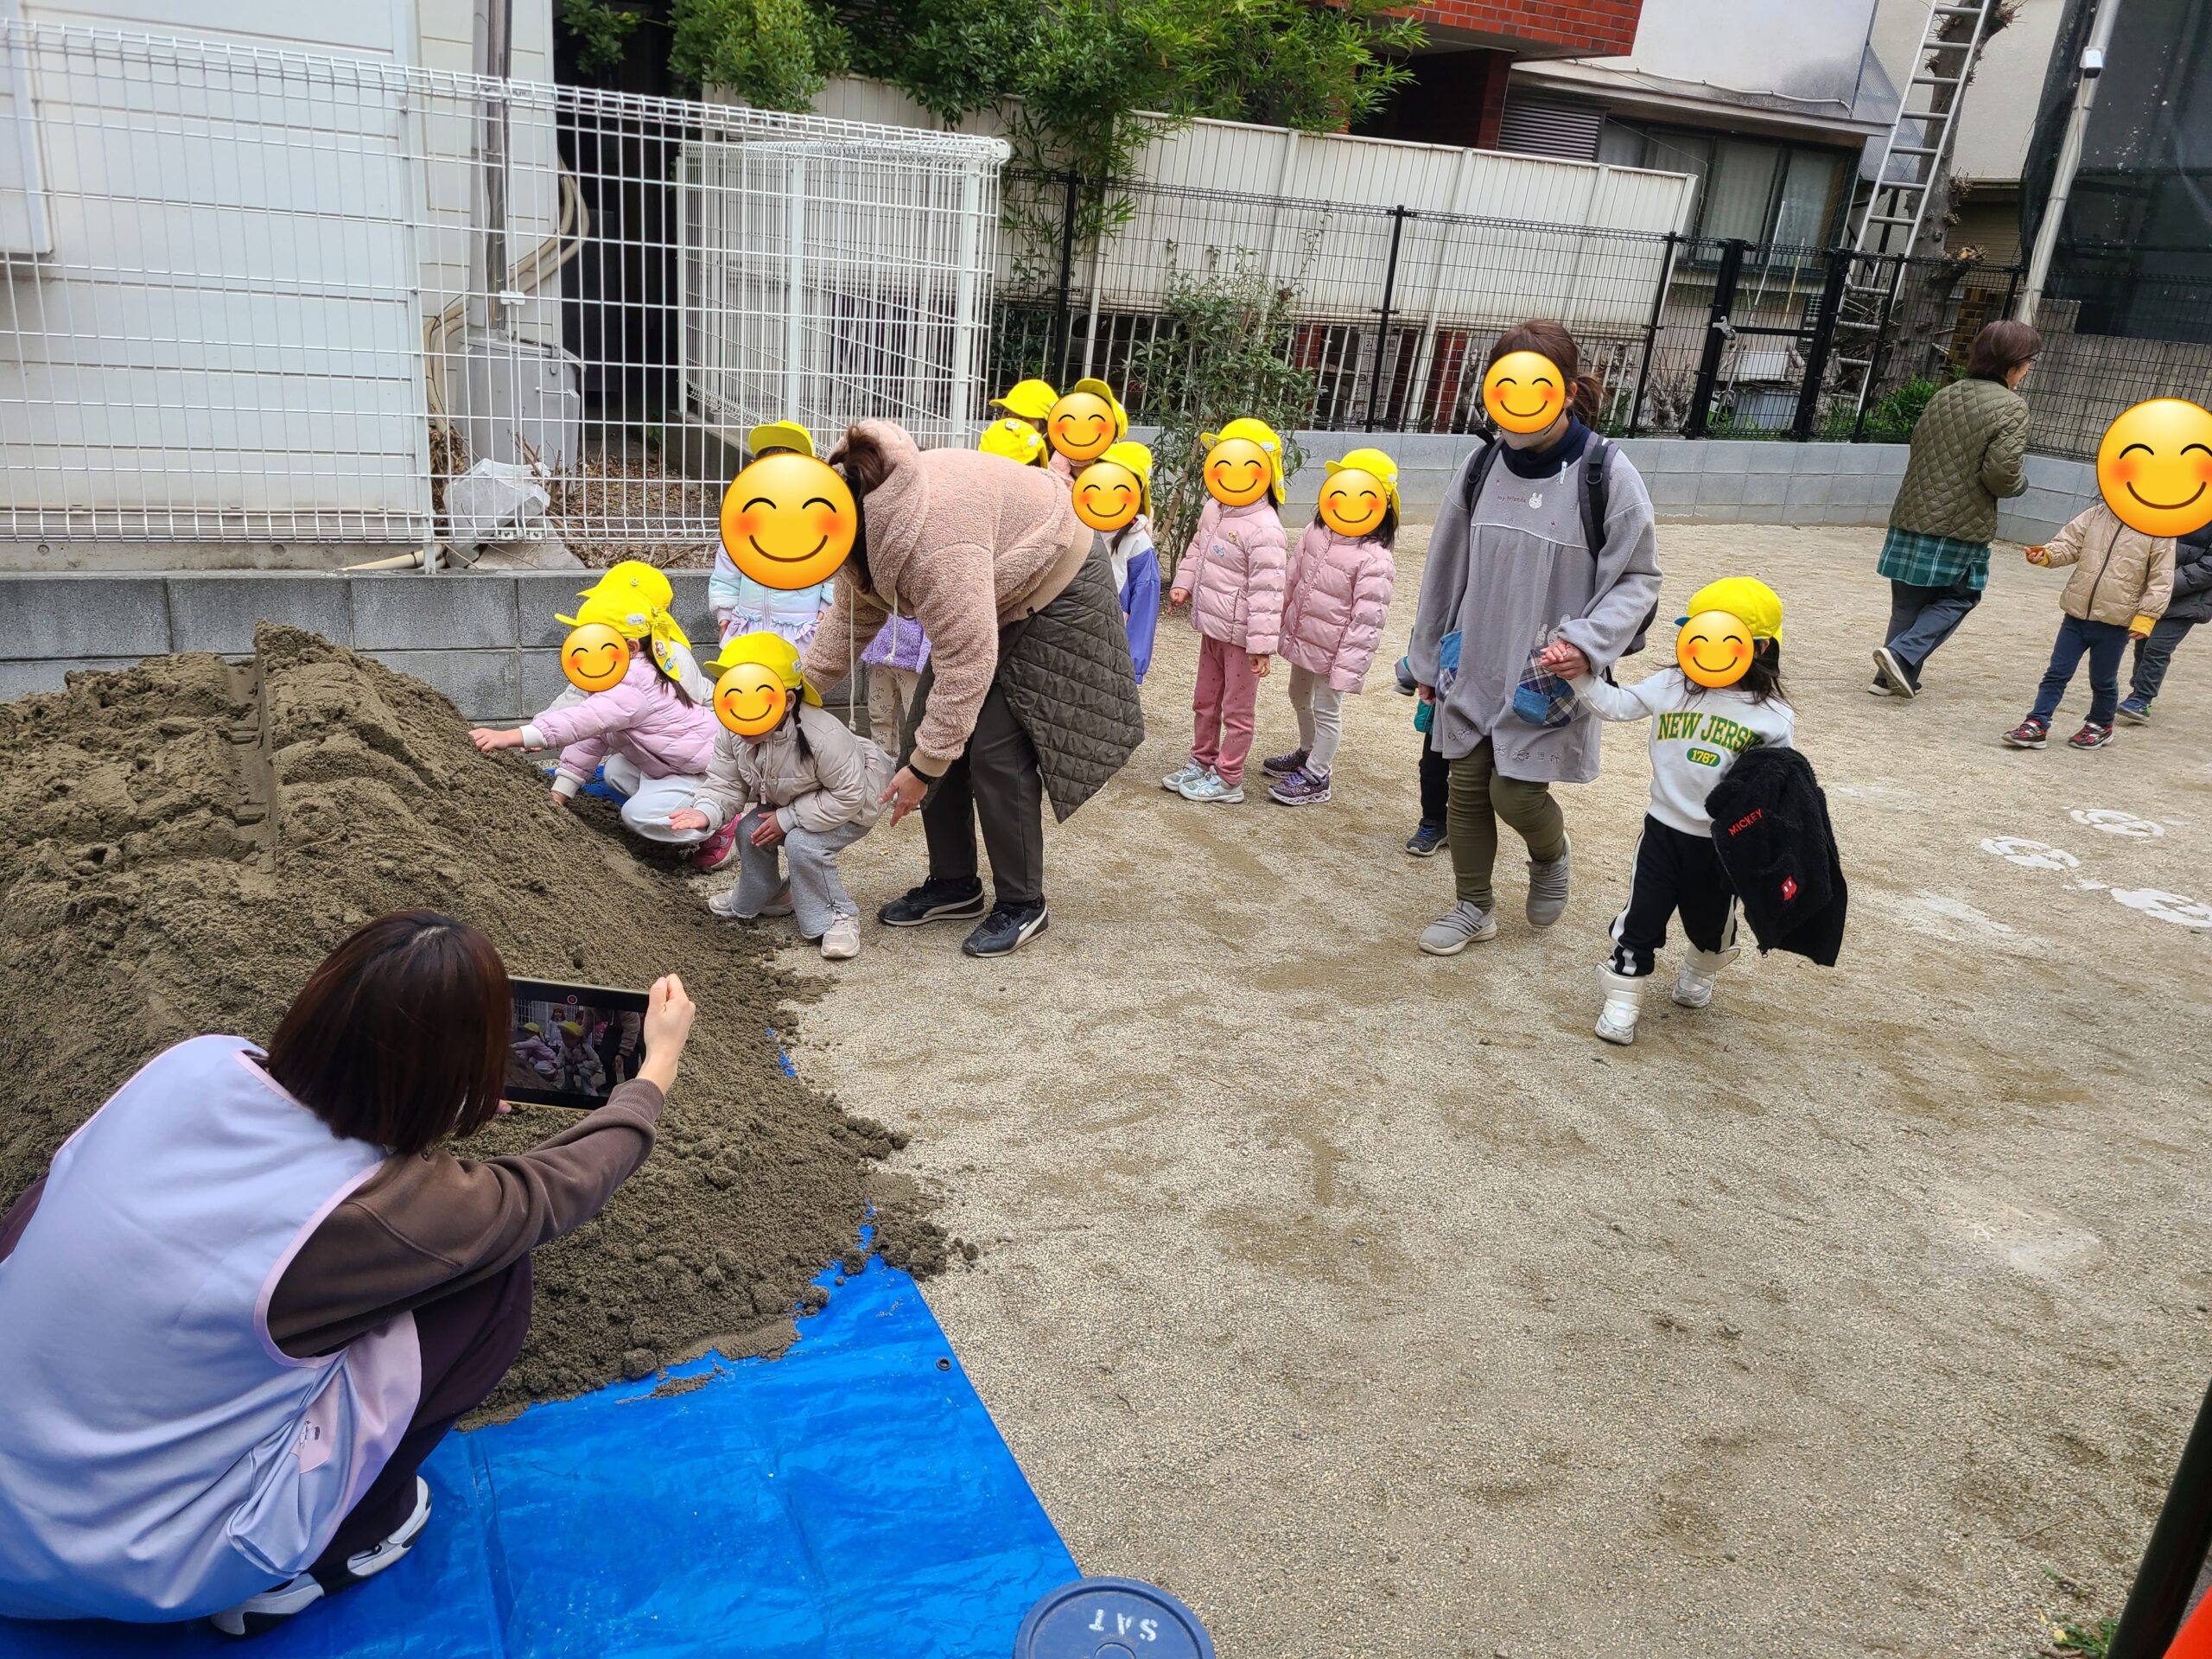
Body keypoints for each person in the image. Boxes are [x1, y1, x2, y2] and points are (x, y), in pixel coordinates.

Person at [0, 912, 696, 1636]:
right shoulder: (377, 1210)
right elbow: (546, 1192)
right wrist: (651, 1079)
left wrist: (435, 1093)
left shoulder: (194, 1064)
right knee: (492, 1280)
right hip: (141, 1565)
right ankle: (337, 1545)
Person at [799, 421, 1143, 958]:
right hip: (988, 582)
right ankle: (955, 883)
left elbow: (967, 662)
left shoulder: (935, 546)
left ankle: (1023, 903)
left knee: (993, 749)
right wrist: (796, 692)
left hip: (1055, 573)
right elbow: (851, 619)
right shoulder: (856, 518)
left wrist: (922, 772)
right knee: (925, 732)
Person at [1407, 320, 1662, 955]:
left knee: (1516, 793)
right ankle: (1474, 906)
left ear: (1567, 391)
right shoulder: (1481, 464)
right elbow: (1444, 567)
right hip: (1474, 658)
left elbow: (1638, 579)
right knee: (1466, 788)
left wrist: (1589, 642)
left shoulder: (1606, 473)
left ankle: (1550, 854)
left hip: (1547, 668)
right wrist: (1426, 660)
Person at [1557, 578, 1796, 1046]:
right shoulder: (1671, 685)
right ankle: (1623, 996)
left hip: (1723, 845)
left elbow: (1779, 784)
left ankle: (1702, 966)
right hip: (1662, 831)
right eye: (1697, 635)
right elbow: (1617, 705)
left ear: (1760, 647)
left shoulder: (1772, 715)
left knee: (1712, 925)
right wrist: (1579, 676)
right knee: (1641, 917)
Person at [668, 633, 893, 961]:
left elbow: (849, 795)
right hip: (795, 800)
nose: (742, 724)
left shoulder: (823, 735)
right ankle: (768, 894)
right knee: (750, 829)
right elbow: (725, 782)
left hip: (854, 805)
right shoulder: (735, 727)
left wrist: (787, 819)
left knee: (803, 844)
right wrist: (707, 811)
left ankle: (838, 914)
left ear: (787, 701)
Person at [468, 593, 720, 861]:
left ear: (630, 648)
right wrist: (559, 794)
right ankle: (678, 806)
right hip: (671, 762)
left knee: (636, 815)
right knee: (615, 770)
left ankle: (715, 817)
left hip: (701, 770)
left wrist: (511, 736)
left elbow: (579, 721)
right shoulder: (616, 678)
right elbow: (591, 737)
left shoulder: (633, 685)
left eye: (593, 642)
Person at [1871, 320, 2040, 698]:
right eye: (2029, 361)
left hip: (1911, 513)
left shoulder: (1945, 395)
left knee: (1908, 604)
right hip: (1961, 522)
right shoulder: (2012, 407)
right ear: (2015, 363)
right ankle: (1901, 655)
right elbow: (2001, 474)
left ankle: (1887, 678)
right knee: (1962, 595)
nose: (2029, 368)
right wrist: (2020, 485)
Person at [1163, 416, 1290, 806]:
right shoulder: (1214, 508)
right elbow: (1197, 549)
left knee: (1237, 709)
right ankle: (1202, 760)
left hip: (1241, 640)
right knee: (1205, 699)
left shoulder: (1266, 529)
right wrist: (1183, 583)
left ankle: (1229, 777)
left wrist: (1261, 646)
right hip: (1213, 628)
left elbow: (1269, 593)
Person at [1263, 446, 1400, 807]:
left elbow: (1367, 622)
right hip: (1305, 637)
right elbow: (1292, 578)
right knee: (1297, 695)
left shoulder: (1375, 558)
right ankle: (1307, 751)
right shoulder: (1315, 531)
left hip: (1335, 652)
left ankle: (1318, 774)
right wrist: (1276, 623)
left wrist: (1347, 668)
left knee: (1326, 709)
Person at [2001, 499, 2174, 750]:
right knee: (2056, 673)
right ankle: (2037, 722)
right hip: (2076, 614)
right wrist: (2047, 554)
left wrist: (2146, 617)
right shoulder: (2096, 514)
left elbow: (2162, 579)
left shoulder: (2159, 530)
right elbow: (2068, 544)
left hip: (2116, 622)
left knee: (2103, 679)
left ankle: (2100, 725)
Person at [709, 423, 837, 648]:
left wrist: (827, 608)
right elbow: (727, 571)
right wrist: (725, 613)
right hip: (748, 628)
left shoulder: (818, 527)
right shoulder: (745, 525)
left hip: (801, 632)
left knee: (797, 672)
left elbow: (835, 570)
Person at [2119, 520, 2211, 722]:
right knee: (2143, 644)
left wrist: (2164, 582)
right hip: (2155, 592)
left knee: (2157, 648)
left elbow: (2208, 569)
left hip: (2189, 599)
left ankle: (2142, 699)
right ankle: (2137, 692)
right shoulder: (2173, 513)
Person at [1097, 440, 1162, 685]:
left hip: (1113, 646)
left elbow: (1144, 607)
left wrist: (1132, 668)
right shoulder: (1078, 525)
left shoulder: (1138, 542)